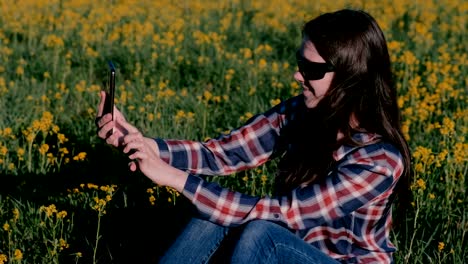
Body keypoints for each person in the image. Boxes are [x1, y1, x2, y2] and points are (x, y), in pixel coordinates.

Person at [95, 8, 411, 264]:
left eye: (312, 70)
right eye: (300, 63)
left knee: (261, 233)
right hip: (291, 251)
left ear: (351, 78)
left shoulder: (379, 160)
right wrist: (144, 145)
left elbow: (286, 214)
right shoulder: (303, 112)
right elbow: (223, 153)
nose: (298, 75)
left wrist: (178, 179)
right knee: (212, 215)